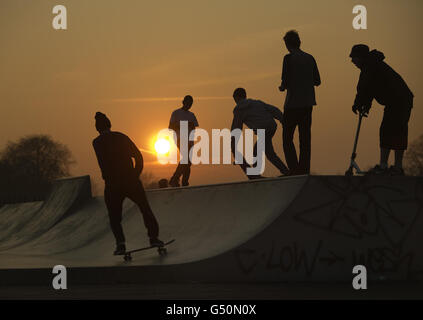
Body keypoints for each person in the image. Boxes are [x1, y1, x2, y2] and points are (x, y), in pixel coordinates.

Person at [92, 112, 163, 255]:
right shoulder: (121, 137)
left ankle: (120, 244)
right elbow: (138, 156)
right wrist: (135, 174)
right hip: (130, 181)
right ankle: (154, 238)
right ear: (110, 125)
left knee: (114, 216)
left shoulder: (96, 143)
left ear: (97, 129)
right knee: (145, 209)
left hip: (112, 185)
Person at [350, 44, 414, 175]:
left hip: (398, 101)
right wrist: (365, 105)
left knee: (390, 130)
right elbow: (370, 89)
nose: (352, 61)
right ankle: (395, 166)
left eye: (354, 58)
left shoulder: (369, 67)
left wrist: (358, 104)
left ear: (361, 57)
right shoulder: (372, 65)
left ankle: (388, 166)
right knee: (394, 130)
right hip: (399, 100)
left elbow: (364, 88)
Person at [279, 30, 321, 175]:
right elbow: (318, 81)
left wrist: (282, 87)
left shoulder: (288, 59)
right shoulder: (310, 58)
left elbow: (285, 82)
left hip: (292, 105)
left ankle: (294, 169)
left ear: (287, 44)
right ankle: (304, 170)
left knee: (287, 139)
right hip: (308, 104)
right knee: (305, 139)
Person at [231, 87, 289, 178]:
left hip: (263, 130)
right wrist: (283, 121)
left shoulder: (239, 109)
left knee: (256, 151)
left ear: (237, 97)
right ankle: (286, 171)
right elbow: (274, 110)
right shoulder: (256, 102)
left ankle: (256, 175)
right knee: (269, 153)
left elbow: (236, 127)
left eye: (235, 99)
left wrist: (233, 142)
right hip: (271, 126)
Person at [168, 95, 199, 187]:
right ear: (183, 102)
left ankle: (184, 182)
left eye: (191, 103)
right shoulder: (176, 113)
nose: (189, 105)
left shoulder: (192, 115)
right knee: (186, 159)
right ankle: (175, 179)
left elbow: (194, 127)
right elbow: (171, 126)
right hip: (180, 139)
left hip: (190, 140)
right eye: (188, 103)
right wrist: (185, 125)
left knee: (188, 161)